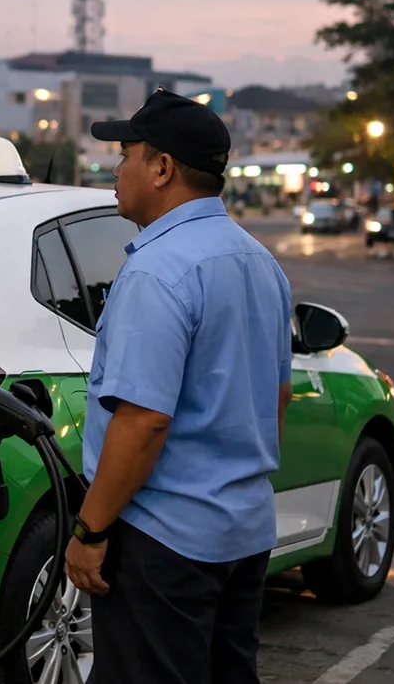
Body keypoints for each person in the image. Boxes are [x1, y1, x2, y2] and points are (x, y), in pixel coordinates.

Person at [64, 89, 293, 684]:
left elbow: (143, 422)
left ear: (162, 168)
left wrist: (90, 531)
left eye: (126, 154)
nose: (115, 170)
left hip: (164, 540)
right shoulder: (259, 261)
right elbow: (277, 398)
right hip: (242, 530)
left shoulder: (157, 269)